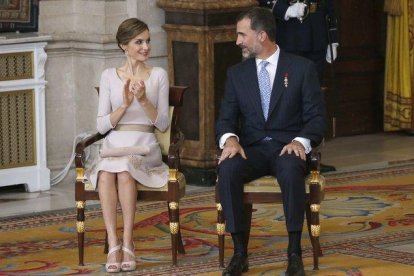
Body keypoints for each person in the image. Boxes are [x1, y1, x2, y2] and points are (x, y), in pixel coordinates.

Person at [215, 7, 326, 276]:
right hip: (250, 150)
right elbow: (225, 120)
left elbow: (317, 119)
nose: (237, 41)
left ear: (262, 36)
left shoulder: (301, 69)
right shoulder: (236, 74)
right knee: (228, 168)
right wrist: (229, 140)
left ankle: (294, 253)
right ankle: (240, 253)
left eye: (242, 34)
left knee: (290, 169)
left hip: (286, 148)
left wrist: (300, 141)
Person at [85, 18, 170, 273]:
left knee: (123, 170)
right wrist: (123, 105)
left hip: (145, 143)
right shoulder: (109, 76)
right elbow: (101, 127)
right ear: (124, 46)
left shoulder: (158, 75)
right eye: (139, 42)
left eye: (147, 41)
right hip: (115, 143)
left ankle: (128, 241)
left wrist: (143, 100)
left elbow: (163, 124)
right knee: (107, 173)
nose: (146, 47)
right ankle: (114, 243)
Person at [259, 0, 338, 172]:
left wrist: (333, 37)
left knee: (313, 100)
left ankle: (312, 155)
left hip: (317, 35)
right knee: (289, 99)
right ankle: (288, 153)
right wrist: (285, 10)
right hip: (290, 36)